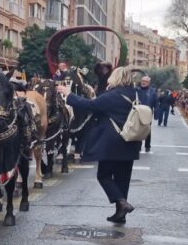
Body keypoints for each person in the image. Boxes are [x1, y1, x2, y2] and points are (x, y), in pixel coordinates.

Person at [59, 66, 141, 224]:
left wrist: (68, 94)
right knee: (123, 179)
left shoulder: (113, 95)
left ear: (116, 78)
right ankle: (120, 213)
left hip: (113, 142)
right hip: (131, 141)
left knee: (103, 175)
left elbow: (90, 105)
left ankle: (122, 203)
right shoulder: (135, 94)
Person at [135, 75, 157, 153]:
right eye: (143, 81)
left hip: (148, 113)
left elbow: (155, 103)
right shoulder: (136, 90)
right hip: (138, 112)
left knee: (147, 130)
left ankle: (147, 146)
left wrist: (156, 114)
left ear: (149, 83)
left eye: (146, 81)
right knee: (138, 129)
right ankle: (138, 146)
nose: (143, 82)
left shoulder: (152, 91)